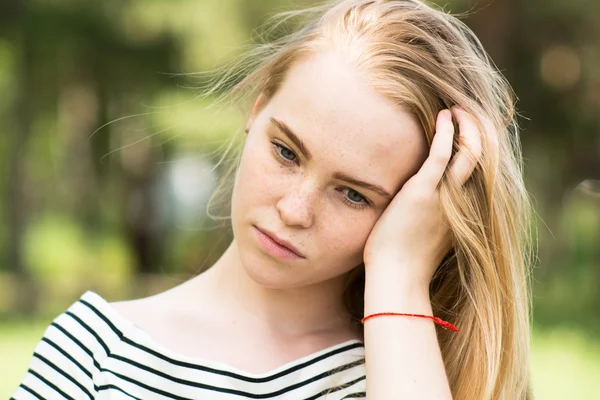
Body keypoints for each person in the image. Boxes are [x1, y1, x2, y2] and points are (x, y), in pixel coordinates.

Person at [12, 0, 534, 398]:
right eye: (286, 151)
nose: (294, 210)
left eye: (353, 194)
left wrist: (399, 279)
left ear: (415, 212)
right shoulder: (94, 353)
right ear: (256, 109)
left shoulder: (403, 372)